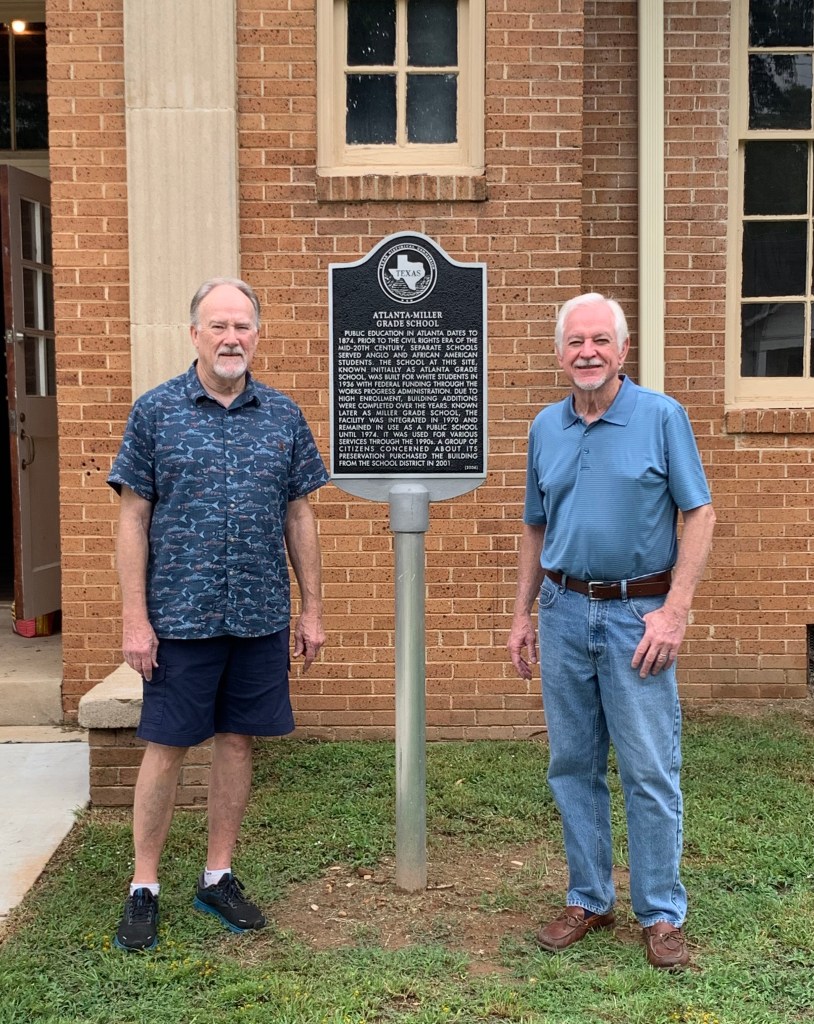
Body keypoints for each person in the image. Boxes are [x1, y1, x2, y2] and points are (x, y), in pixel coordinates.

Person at [107, 277, 329, 952]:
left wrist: (311, 607)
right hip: (179, 618)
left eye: (243, 326)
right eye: (218, 326)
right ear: (195, 334)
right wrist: (134, 618)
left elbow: (299, 513)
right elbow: (132, 518)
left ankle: (217, 874)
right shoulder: (156, 413)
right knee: (167, 746)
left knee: (237, 742)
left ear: (257, 334)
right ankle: (144, 885)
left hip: (259, 616)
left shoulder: (284, 417)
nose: (231, 337)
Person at [507, 292, 715, 970]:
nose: (587, 352)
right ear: (559, 352)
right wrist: (521, 613)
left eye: (601, 340)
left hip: (637, 616)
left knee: (650, 769)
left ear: (623, 350)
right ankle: (589, 897)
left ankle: (660, 913)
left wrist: (675, 610)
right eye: (575, 342)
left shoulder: (660, 417)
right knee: (572, 765)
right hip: (564, 611)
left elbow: (701, 514)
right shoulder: (546, 427)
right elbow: (535, 526)